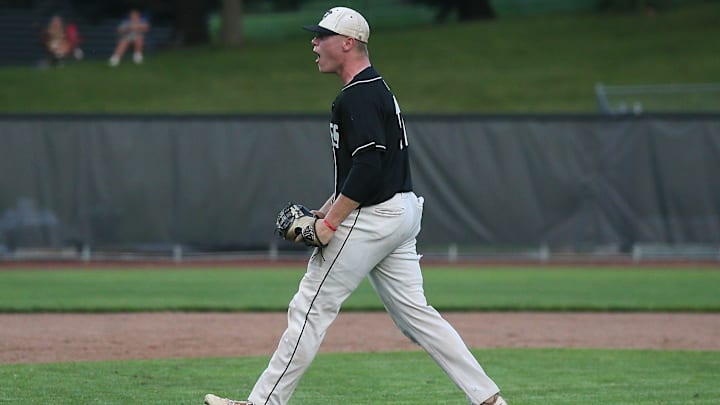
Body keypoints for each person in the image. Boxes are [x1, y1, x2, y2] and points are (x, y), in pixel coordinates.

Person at [204, 7, 507, 405]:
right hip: (400, 211)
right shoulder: (375, 88)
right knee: (418, 317)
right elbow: (366, 168)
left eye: (322, 36)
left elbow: (367, 167)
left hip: (375, 217)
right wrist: (325, 207)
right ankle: (490, 400)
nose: (314, 43)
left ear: (347, 42)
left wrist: (330, 222)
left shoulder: (359, 96)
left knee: (310, 307)